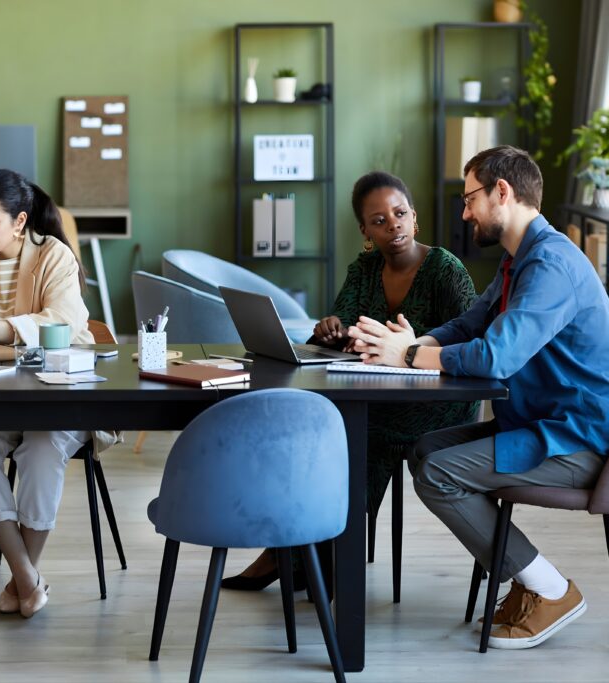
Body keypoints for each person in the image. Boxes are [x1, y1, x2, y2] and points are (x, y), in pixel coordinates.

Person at [348, 145, 609, 649]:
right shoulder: (519, 260)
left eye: (470, 199)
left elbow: (495, 356)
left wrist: (408, 356)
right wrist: (410, 345)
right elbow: (470, 324)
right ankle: (526, 581)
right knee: (425, 450)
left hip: (576, 439)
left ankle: (551, 589)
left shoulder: (551, 265)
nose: (465, 213)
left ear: (502, 192)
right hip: (538, 425)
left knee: (438, 473)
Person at [222, 171, 479, 591]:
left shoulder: (445, 270)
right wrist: (331, 331)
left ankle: (315, 556)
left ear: (414, 217)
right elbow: (342, 323)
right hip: (375, 392)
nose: (392, 224)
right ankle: (301, 550)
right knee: (307, 427)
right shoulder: (364, 269)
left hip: (438, 401)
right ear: (365, 231)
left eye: (399, 214)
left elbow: (470, 339)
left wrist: (413, 353)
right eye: (379, 220)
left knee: (349, 435)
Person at [0, 168, 94, 618]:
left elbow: (61, 322)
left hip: (59, 397)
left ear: (19, 221)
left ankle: (19, 579)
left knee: (43, 447)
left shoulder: (54, 256)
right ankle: (27, 577)